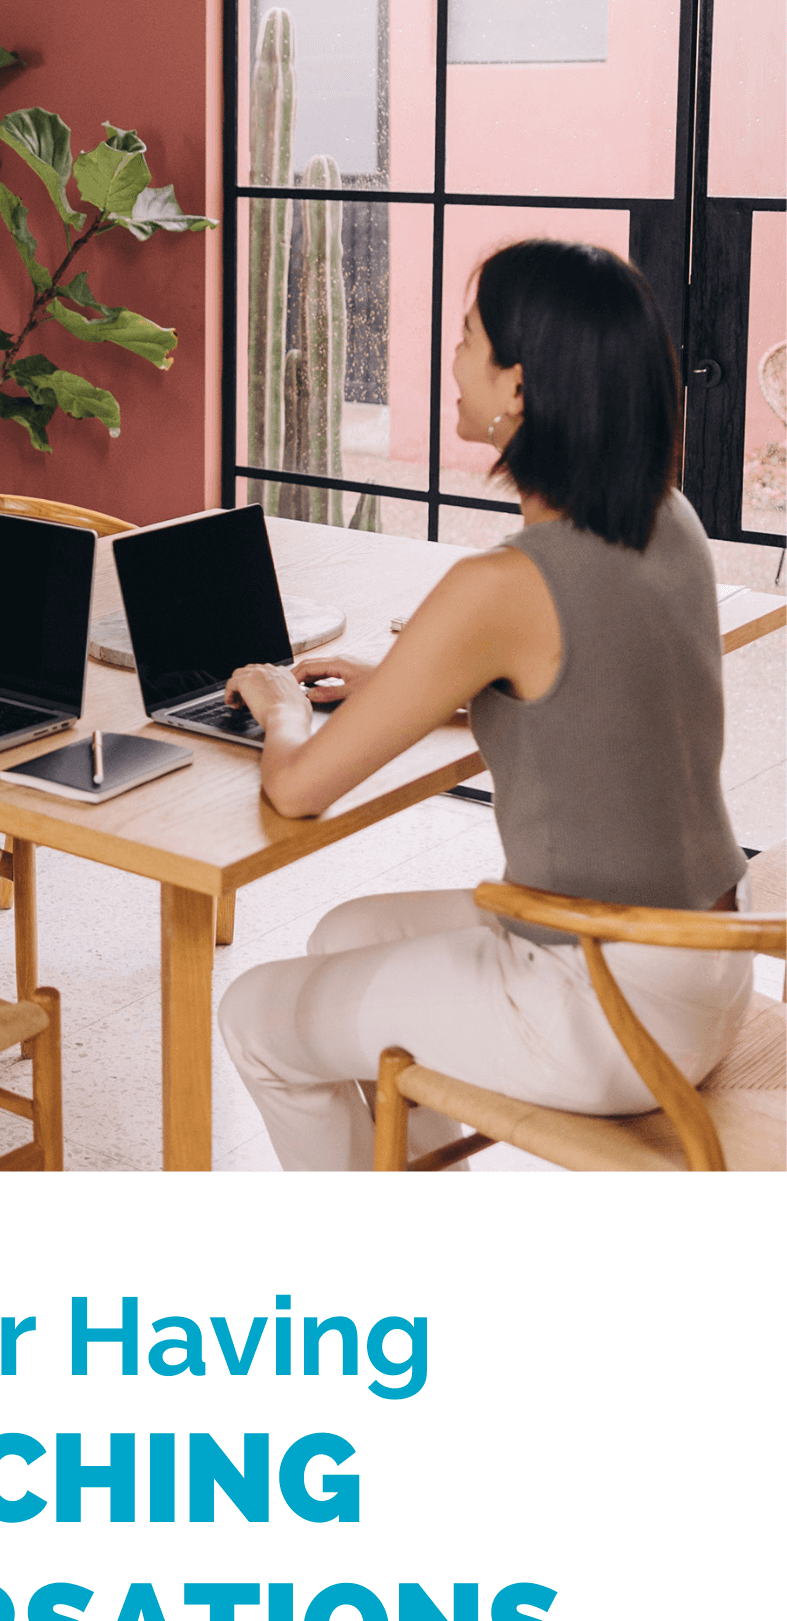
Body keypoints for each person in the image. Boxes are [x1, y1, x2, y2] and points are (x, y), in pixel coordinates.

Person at [217, 238, 750, 1170]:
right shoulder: (670, 517)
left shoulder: (502, 586)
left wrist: (278, 706)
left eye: (469, 339)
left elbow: (298, 791)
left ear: (519, 388)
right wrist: (405, 687)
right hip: (701, 961)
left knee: (256, 1013)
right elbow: (591, 693)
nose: (452, 359)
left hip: (605, 1000)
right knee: (342, 933)